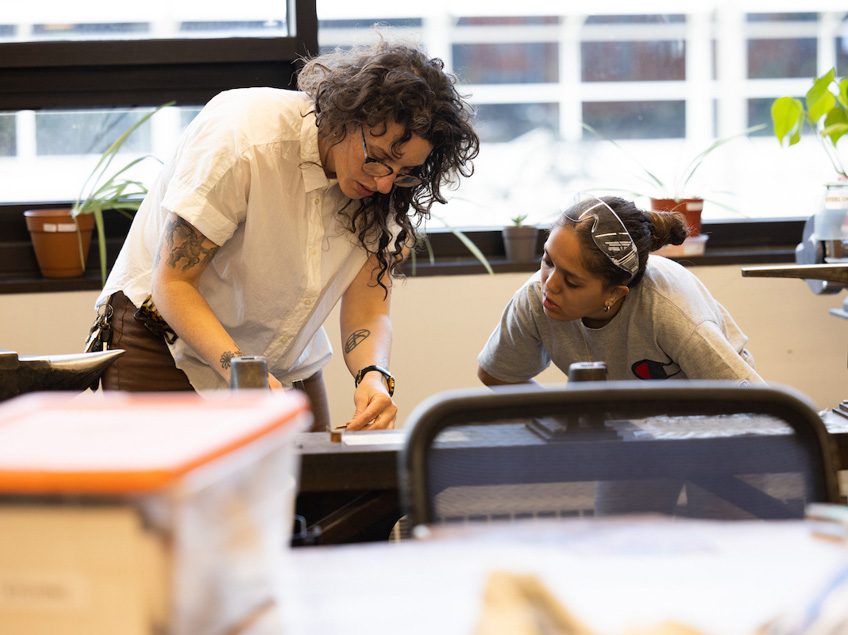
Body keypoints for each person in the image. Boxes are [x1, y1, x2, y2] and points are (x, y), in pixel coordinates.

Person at [89, 39, 479, 432]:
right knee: (184, 490)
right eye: (377, 158)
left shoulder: (388, 191)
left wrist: (373, 376)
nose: (384, 183)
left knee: (321, 488)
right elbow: (173, 283)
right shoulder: (245, 138)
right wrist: (244, 376)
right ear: (347, 114)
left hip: (280, 356)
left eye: (405, 170)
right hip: (163, 341)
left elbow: (368, 308)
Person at [478, 195, 763, 386]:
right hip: (628, 426)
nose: (550, 284)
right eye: (548, 261)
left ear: (614, 293)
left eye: (573, 281)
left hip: (716, 418)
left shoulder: (670, 313)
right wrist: (560, 417)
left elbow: (756, 407)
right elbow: (497, 375)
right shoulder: (536, 297)